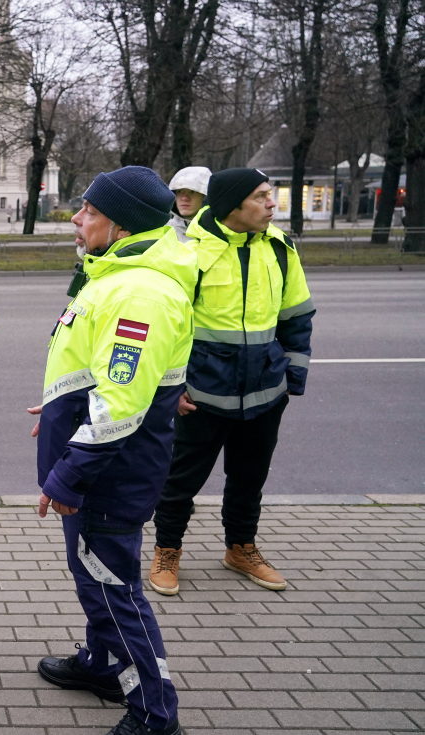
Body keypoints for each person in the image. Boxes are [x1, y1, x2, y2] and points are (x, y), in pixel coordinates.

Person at [29, 166, 195, 735]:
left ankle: (153, 712)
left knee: (113, 588)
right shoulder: (121, 273)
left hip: (107, 473)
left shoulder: (139, 291)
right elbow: (104, 377)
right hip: (102, 461)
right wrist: (57, 411)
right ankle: (102, 666)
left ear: (120, 226)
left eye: (89, 212)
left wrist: (69, 473)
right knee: (93, 576)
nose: (77, 219)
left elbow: (120, 404)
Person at [149, 168, 315, 596]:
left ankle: (241, 548)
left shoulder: (281, 248)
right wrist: (172, 388)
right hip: (200, 395)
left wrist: (292, 378)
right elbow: (166, 324)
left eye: (270, 196)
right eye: (261, 197)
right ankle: (167, 550)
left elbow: (296, 316)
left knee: (249, 477)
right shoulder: (187, 252)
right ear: (232, 205)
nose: (272, 204)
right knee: (180, 480)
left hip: (265, 391)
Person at [166, 167, 212, 242]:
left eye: (192, 192)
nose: (184, 198)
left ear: (206, 197)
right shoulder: (164, 231)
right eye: (180, 191)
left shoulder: (221, 231)